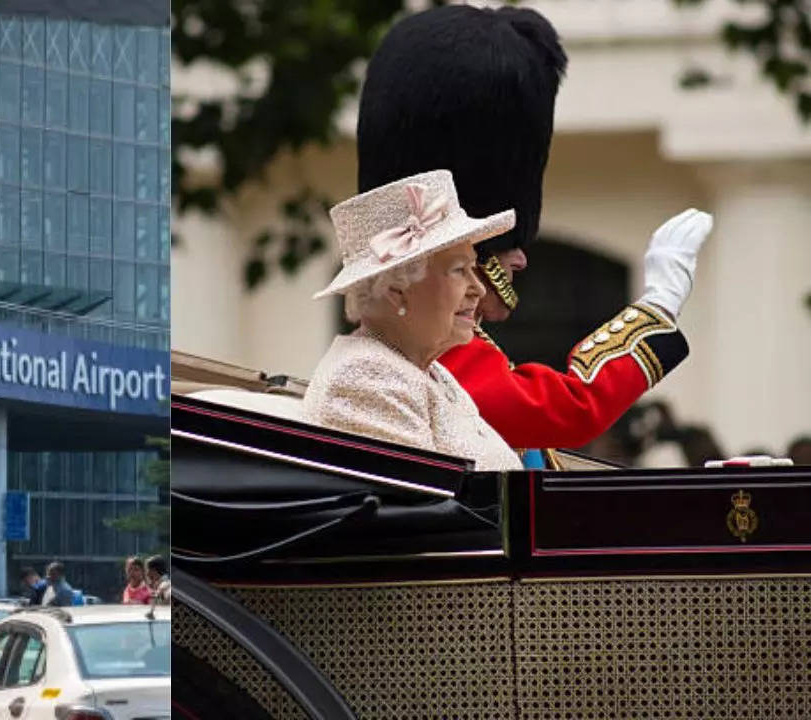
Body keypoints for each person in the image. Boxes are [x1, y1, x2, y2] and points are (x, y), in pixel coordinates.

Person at [355, 5, 712, 461]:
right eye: (501, 243)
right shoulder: (433, 354)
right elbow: (570, 407)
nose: (520, 258)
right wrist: (655, 307)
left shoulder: (443, 346)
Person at [303, 169, 521, 471]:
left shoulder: (428, 372)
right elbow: (432, 511)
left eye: (474, 269)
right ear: (396, 291)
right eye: (459, 271)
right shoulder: (367, 377)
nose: (479, 289)